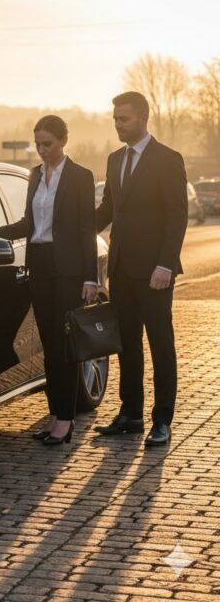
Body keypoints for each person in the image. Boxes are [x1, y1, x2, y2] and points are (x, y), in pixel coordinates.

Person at [0, 115, 98, 446]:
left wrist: (90, 277)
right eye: (37, 144)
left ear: (63, 141)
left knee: (64, 346)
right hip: (41, 268)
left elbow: (86, 230)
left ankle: (65, 420)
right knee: (48, 346)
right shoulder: (35, 175)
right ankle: (54, 415)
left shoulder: (80, 176)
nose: (41, 150)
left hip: (69, 271)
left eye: (47, 144)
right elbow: (28, 223)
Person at [94, 91, 188, 446]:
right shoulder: (114, 159)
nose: (118, 125)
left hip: (155, 272)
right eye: (115, 119)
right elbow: (107, 210)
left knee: (161, 344)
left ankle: (162, 420)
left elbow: (177, 216)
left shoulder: (168, 159)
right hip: (120, 268)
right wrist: (70, 228)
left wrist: (165, 264)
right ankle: (130, 414)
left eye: (124, 119)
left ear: (143, 118)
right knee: (127, 344)